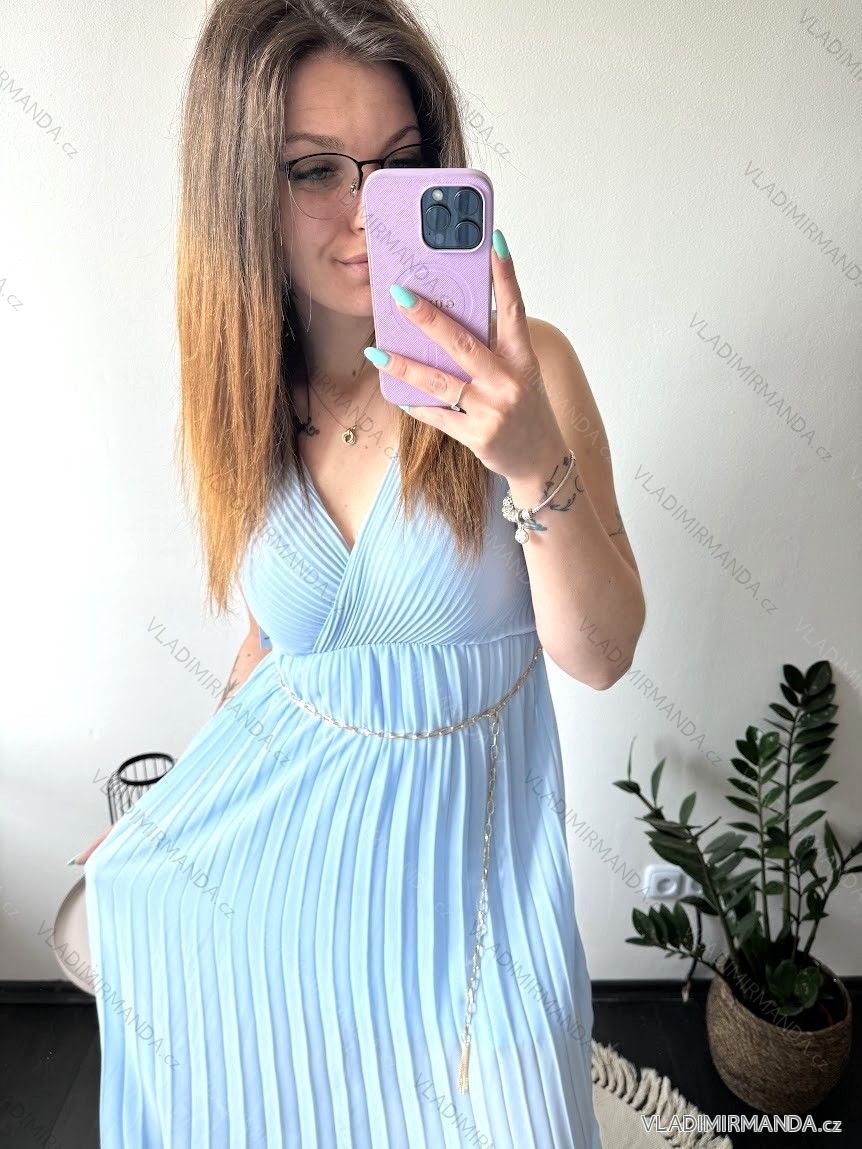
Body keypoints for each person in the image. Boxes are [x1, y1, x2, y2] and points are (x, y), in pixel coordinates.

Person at [72, 1, 645, 1145]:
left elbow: (601, 655)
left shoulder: (525, 377)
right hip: (297, 886)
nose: (361, 215)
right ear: (240, 187)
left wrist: (531, 461)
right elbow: (273, 644)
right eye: (312, 170)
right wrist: (178, 810)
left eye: (397, 166)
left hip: (475, 920)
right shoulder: (244, 399)